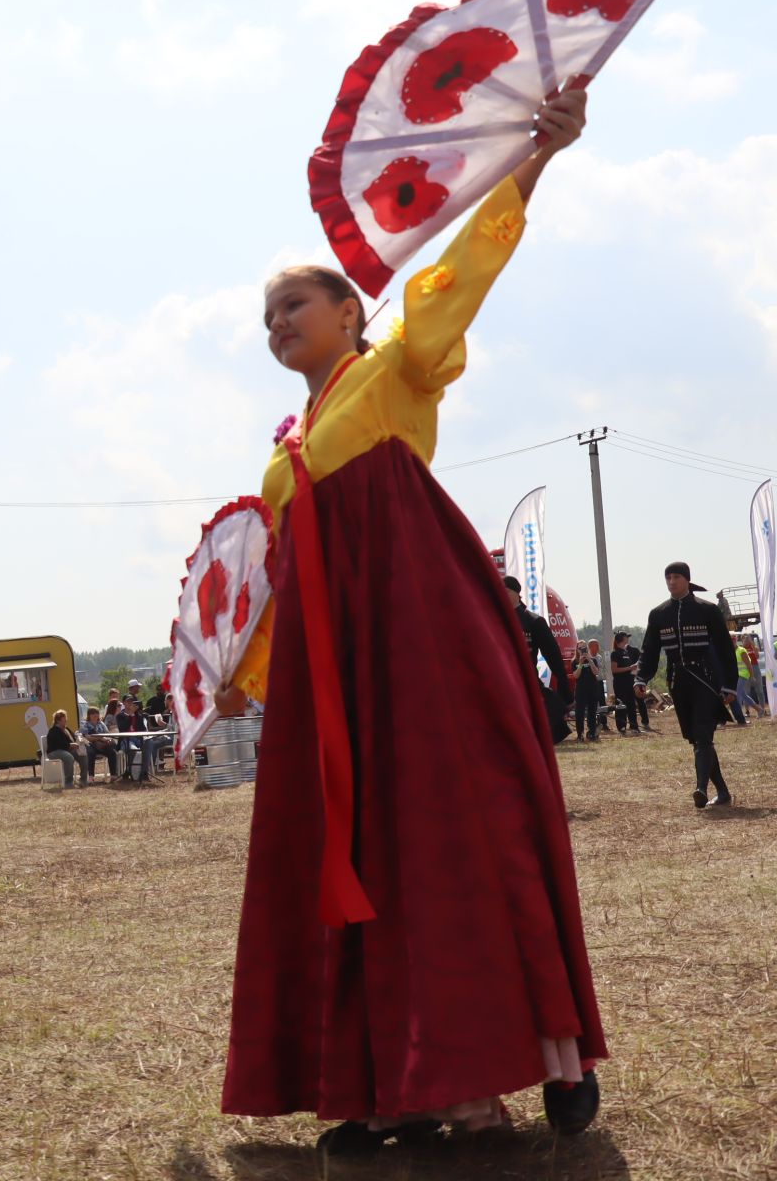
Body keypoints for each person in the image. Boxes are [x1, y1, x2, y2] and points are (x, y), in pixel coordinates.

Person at [215, 89, 605, 1151]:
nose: (277, 325)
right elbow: (277, 590)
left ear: (349, 311)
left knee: (457, 836)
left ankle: (545, 1059)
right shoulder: (283, 457)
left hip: (419, 649)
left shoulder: (395, 371)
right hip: (333, 677)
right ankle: (390, 1085)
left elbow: (465, 271)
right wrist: (233, 687)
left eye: (294, 305)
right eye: (266, 318)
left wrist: (536, 159)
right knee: (354, 859)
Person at [639, 562, 736, 810]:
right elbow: (650, 650)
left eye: (676, 577)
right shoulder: (658, 613)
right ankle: (722, 791)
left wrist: (730, 685)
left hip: (705, 678)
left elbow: (726, 650)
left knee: (703, 735)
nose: (672, 581)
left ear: (687, 580)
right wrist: (641, 677)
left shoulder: (708, 610)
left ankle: (700, 789)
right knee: (696, 739)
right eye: (668, 577)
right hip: (677, 681)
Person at [504, 576, 570, 744]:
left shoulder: (533, 621)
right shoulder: (495, 620)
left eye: (505, 590)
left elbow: (553, 655)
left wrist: (563, 685)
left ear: (516, 593)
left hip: (527, 685)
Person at [607, 632, 650, 735]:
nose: (628, 639)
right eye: (626, 637)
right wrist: (630, 667)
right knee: (621, 705)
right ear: (621, 639)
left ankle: (634, 726)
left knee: (631, 705)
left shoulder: (626, 652)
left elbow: (629, 669)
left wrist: (635, 671)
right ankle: (621, 727)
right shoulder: (615, 653)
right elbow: (614, 670)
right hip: (620, 684)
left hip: (630, 682)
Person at [571, 643, 602, 744]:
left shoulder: (593, 660)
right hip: (581, 690)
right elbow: (576, 676)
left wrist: (590, 660)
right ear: (577, 650)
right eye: (580, 648)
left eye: (584, 648)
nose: (583, 650)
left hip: (592, 689)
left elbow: (596, 672)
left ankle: (592, 732)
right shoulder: (574, 661)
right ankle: (580, 734)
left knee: (592, 712)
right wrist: (580, 663)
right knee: (579, 713)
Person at [734, 637, 769, 720]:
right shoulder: (738, 649)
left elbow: (755, 657)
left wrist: (752, 675)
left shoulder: (744, 650)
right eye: (744, 639)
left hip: (750, 671)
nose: (746, 640)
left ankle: (740, 715)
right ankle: (756, 710)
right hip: (741, 673)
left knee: (758, 691)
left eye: (748, 638)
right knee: (744, 694)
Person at [77, 707, 114, 784]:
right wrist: (100, 738)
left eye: (96, 713)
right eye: (92, 713)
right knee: (91, 753)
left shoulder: (101, 724)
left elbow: (108, 735)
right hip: (90, 744)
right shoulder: (85, 724)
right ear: (89, 715)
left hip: (102, 745)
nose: (95, 715)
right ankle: (91, 777)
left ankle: (113, 775)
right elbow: (86, 737)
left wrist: (108, 740)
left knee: (112, 752)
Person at [43, 710, 78, 788]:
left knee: (82, 754)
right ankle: (68, 782)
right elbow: (59, 744)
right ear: (58, 720)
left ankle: (84, 779)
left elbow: (73, 738)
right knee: (69, 757)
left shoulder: (66, 729)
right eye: (64, 718)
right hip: (54, 752)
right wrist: (70, 745)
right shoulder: (53, 731)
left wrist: (77, 738)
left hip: (65, 750)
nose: (66, 720)